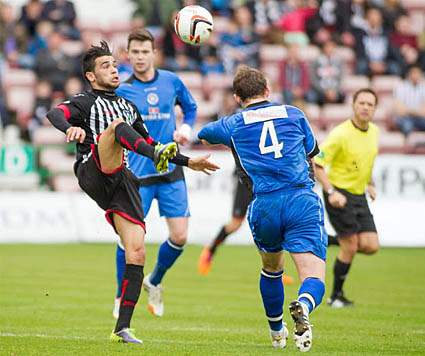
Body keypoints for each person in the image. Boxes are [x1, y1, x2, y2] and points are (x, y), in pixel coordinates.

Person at [45, 41, 218, 344]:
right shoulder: (85, 101)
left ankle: (121, 328)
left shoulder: (129, 106)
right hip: (93, 169)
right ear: (90, 75)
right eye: (105, 66)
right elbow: (54, 113)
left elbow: (151, 143)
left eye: (113, 64)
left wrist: (188, 161)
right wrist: (68, 129)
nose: (113, 69)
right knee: (116, 128)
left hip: (123, 180)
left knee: (136, 251)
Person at [198, 66, 327, 352]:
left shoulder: (233, 123)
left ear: (236, 96)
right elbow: (312, 153)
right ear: (268, 90)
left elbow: (204, 134)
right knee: (313, 275)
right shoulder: (294, 114)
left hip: (264, 205)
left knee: (271, 270)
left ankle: (276, 331)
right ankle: (303, 306)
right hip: (300, 199)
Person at [113, 28, 198, 319]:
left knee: (181, 236)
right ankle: (120, 294)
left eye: (144, 51)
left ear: (153, 53)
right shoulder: (122, 91)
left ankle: (155, 280)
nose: (139, 57)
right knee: (129, 241)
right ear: (128, 54)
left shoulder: (171, 81)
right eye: (134, 52)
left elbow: (190, 107)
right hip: (138, 174)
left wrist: (186, 128)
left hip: (171, 168)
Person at [313, 88, 380, 308]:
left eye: (370, 104)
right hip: (339, 194)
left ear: (375, 109)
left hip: (359, 195)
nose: (365, 107)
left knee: (371, 245)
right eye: (361, 103)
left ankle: (330, 240)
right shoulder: (341, 134)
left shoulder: (375, 132)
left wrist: (369, 183)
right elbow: (318, 164)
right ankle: (336, 296)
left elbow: (366, 162)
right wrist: (331, 192)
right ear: (353, 105)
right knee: (350, 247)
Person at [393, 65, 425, 146]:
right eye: (413, 73)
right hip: (405, 118)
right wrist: (419, 111)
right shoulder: (401, 86)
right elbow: (399, 111)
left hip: (421, 119)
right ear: (409, 74)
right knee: (407, 126)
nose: (416, 75)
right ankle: (406, 148)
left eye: (418, 73)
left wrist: (409, 110)